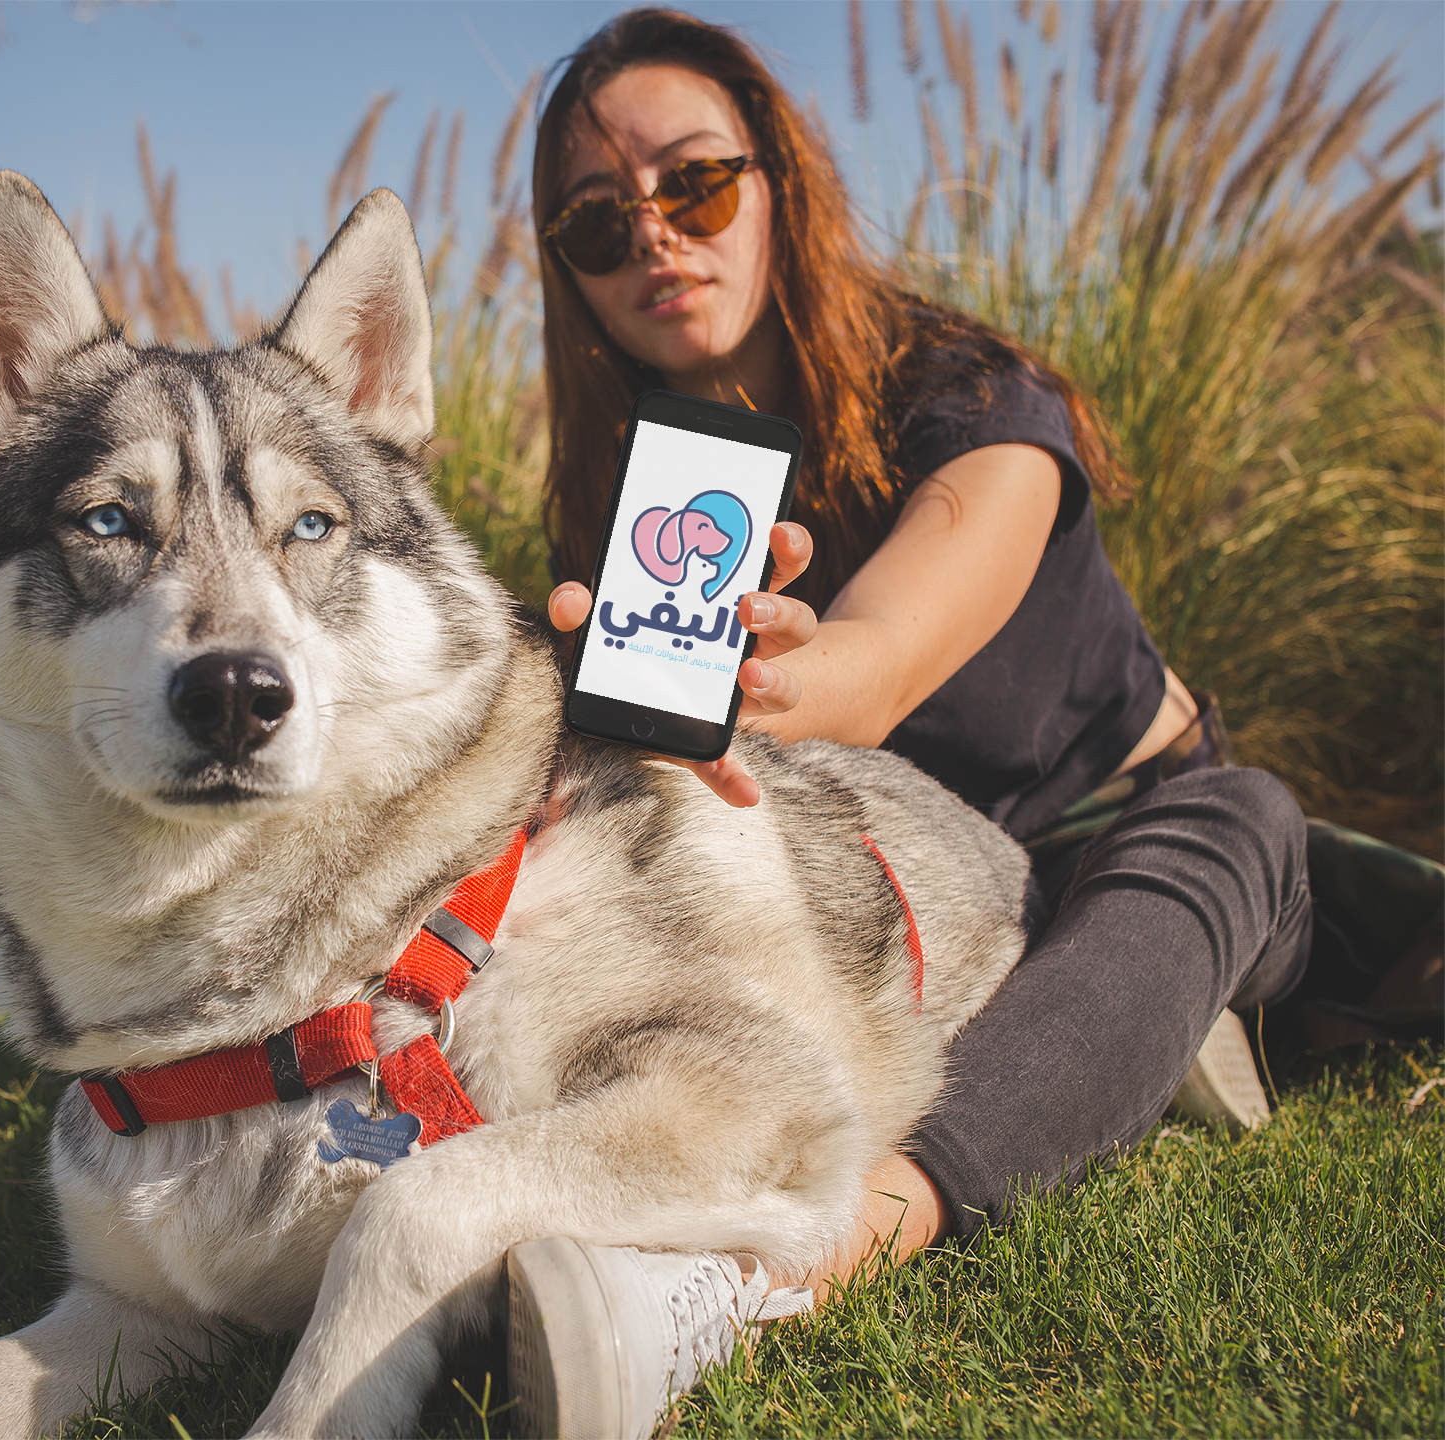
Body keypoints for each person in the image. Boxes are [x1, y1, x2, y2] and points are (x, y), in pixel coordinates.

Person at [499, 11, 1327, 1436]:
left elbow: (870, 676)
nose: (652, 238)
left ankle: (805, 1260)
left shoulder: (969, 399)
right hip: (916, 922)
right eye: (591, 224)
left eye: (694, 184)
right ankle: (1115, 1033)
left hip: (1131, 838)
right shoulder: (644, 498)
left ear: (781, 183)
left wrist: (754, 688)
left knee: (1238, 816)